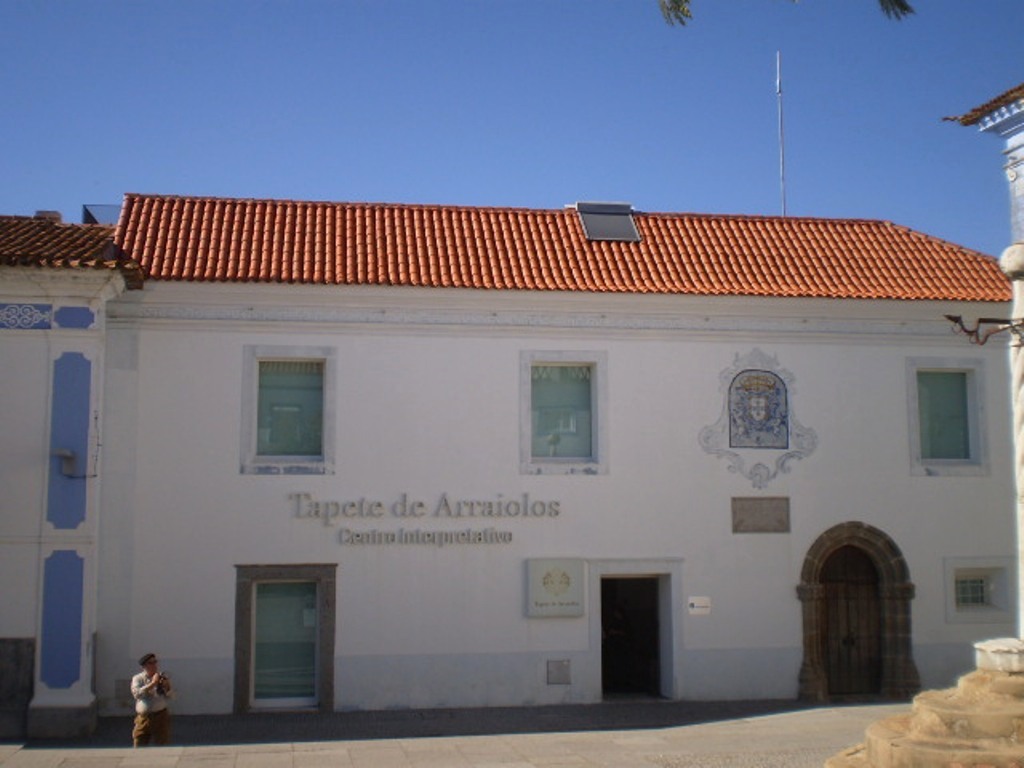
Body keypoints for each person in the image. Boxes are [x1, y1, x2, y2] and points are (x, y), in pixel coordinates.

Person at [130, 653, 173, 746]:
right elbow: (137, 694)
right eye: (151, 663)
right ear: (144, 666)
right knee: (139, 740)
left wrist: (167, 686)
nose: (154, 665)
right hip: (144, 716)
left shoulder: (161, 677)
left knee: (162, 741)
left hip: (160, 715)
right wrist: (152, 684)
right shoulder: (138, 678)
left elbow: (171, 696)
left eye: (155, 662)